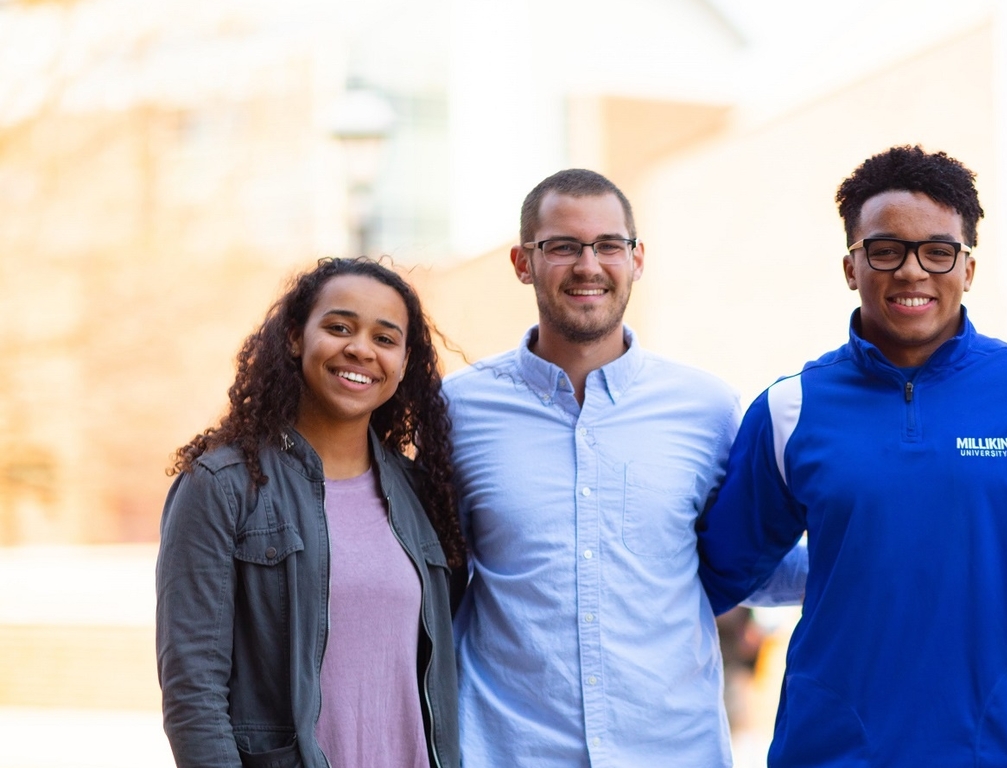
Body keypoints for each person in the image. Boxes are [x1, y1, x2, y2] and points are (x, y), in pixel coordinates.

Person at [697, 145, 1007, 766]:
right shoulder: (791, 408)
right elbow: (718, 573)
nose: (913, 271)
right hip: (832, 751)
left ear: (968, 268)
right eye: (886, 249)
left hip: (1005, 751)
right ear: (852, 266)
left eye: (938, 251)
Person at [446, 168, 805, 767]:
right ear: (521, 261)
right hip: (509, 751)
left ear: (637, 259)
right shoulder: (456, 409)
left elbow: (742, 563)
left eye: (609, 245)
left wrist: (872, 554)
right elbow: (428, 578)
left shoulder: (708, 408)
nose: (589, 265)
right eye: (562, 246)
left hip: (672, 750)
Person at [157, 257, 464, 768]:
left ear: (404, 363)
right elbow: (193, 693)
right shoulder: (223, 487)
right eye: (339, 327)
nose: (361, 349)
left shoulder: (420, 495)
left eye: (385, 339)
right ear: (296, 338)